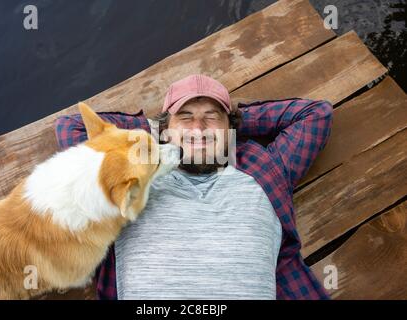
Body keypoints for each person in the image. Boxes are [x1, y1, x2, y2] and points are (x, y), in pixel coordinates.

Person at [55, 74, 333, 299]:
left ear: (231, 129)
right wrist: (155, 131)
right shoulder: (134, 173)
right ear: (164, 130)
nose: (198, 128)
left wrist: (234, 124)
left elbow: (315, 115)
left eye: (212, 116)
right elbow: (73, 127)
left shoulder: (265, 167)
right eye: (185, 117)